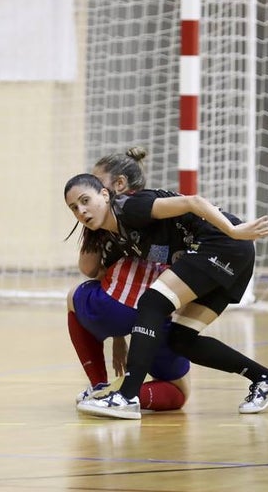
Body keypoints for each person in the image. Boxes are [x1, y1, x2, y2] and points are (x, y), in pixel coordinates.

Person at [64, 173, 268, 420]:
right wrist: (118, 338)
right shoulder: (118, 236)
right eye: (74, 207)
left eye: (86, 200)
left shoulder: (129, 207)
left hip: (220, 244)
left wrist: (233, 230)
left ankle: (126, 397)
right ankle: (265, 378)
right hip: (229, 255)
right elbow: (89, 268)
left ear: (105, 195)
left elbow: (193, 202)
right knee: (181, 339)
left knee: (151, 302)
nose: (81, 211)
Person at [69, 148, 190, 412]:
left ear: (116, 186)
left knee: (74, 296)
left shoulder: (112, 216)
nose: (84, 207)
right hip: (158, 311)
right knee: (178, 393)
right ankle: (122, 394)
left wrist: (118, 334)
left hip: (119, 307)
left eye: (93, 188)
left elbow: (88, 268)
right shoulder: (158, 205)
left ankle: (101, 386)